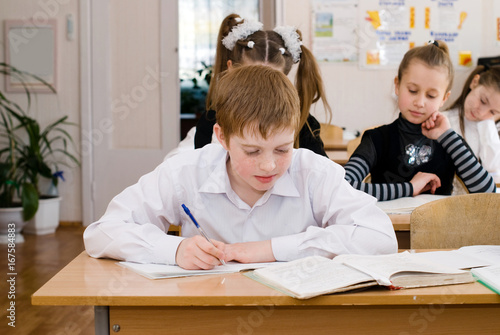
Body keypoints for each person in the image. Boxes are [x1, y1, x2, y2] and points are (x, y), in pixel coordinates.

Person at [84, 65, 397, 270]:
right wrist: (174, 250)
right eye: (252, 151)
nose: (269, 165)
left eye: (282, 149)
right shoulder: (187, 172)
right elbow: (102, 232)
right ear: (222, 137)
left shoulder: (313, 172)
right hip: (210, 313)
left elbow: (380, 238)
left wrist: (273, 249)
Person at [343, 40, 496, 201]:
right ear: (397, 85)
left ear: (444, 98)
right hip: (386, 226)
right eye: (413, 90)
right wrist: (409, 188)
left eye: (431, 96)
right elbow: (342, 187)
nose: (420, 102)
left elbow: (488, 194)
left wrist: (448, 137)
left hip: (439, 226)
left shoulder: (450, 142)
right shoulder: (377, 139)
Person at [194, 13, 332, 157]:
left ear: (284, 79)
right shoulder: (209, 123)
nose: (261, 90)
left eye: (272, 81)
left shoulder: (305, 124)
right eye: (251, 79)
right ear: (231, 69)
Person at [443, 64, 500, 183]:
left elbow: (494, 170)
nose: (482, 112)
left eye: (493, 112)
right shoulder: (444, 121)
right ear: (474, 82)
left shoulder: (490, 128)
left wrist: (487, 122)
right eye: (483, 101)